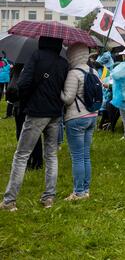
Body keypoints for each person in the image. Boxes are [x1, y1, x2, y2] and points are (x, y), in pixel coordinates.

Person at [1, 37, 68, 211]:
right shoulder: (63, 62)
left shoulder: (36, 56)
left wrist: (26, 98)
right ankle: (48, 198)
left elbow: (23, 83)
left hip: (36, 112)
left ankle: (9, 201)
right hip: (55, 112)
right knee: (51, 155)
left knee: (21, 155)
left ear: (42, 42)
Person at [60, 44, 100, 201]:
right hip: (92, 116)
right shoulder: (94, 71)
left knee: (77, 156)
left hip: (76, 118)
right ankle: (86, 189)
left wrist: (59, 92)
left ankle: (78, 192)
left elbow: (68, 99)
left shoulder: (73, 73)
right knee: (85, 156)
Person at [6, 64, 43, 170]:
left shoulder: (17, 68)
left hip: (22, 105)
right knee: (33, 133)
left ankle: (30, 161)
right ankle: (35, 161)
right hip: (29, 105)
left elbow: (11, 87)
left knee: (23, 133)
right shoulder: (34, 66)